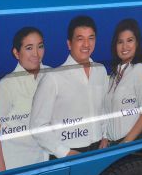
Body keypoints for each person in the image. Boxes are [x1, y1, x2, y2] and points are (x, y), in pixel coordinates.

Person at [29, 16, 107, 160]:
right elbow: (37, 125)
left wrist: (104, 136)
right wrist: (64, 152)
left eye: (91, 38)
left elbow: (103, 108)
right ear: (69, 44)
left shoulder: (100, 70)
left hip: (98, 149)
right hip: (66, 153)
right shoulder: (53, 78)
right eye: (80, 39)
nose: (86, 44)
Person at [0, 27, 50, 171]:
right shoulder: (6, 86)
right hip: (16, 167)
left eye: (40, 46)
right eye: (29, 48)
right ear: (16, 53)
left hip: (46, 163)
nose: (36, 54)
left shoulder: (52, 76)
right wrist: (2, 174)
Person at [100, 19, 142, 147]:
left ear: (137, 43)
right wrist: (105, 137)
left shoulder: (139, 70)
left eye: (130, 40)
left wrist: (126, 143)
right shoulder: (114, 75)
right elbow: (108, 112)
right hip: (112, 145)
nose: (125, 47)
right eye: (120, 42)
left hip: (131, 144)